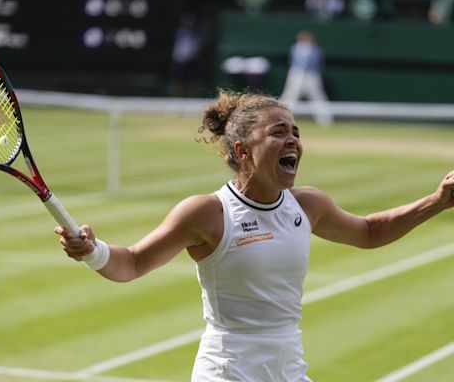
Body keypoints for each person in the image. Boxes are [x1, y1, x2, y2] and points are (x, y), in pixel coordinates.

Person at [55, 89, 454, 381]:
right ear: (243, 151)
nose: (293, 140)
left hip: (288, 369)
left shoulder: (308, 205)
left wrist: (437, 201)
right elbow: (135, 262)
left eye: (296, 132)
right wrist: (93, 251)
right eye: (279, 132)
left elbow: (369, 231)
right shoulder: (207, 212)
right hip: (228, 371)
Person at [279, 31, 333, 126]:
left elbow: (318, 63)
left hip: (312, 75)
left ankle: (325, 120)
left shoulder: (316, 49)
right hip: (297, 74)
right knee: (290, 96)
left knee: (318, 97)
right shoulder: (295, 48)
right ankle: (280, 118)